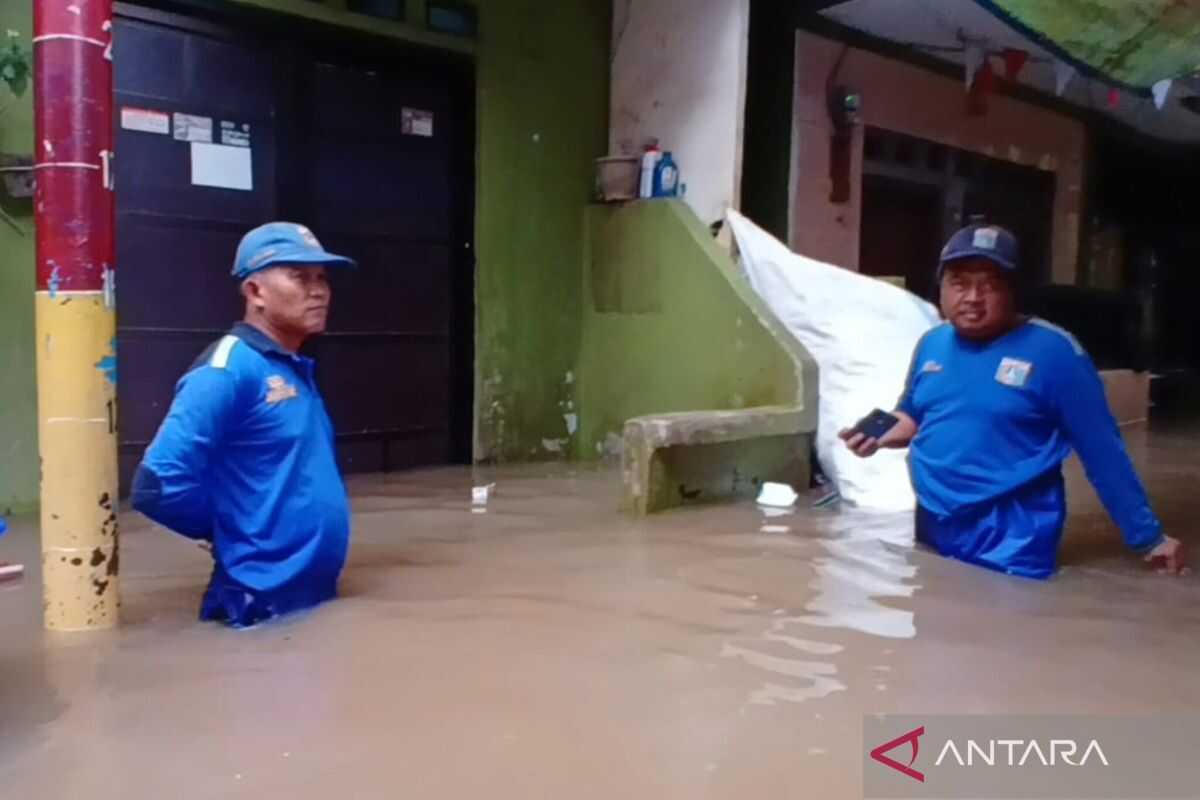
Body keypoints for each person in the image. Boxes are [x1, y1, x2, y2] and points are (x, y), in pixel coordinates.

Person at [840, 223, 1185, 579]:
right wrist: (877, 434)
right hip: (933, 522)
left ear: (1014, 291)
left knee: (1007, 626)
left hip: (1013, 539)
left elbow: (1103, 453)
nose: (972, 297)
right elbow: (913, 413)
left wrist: (1148, 538)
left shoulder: (1056, 352)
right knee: (930, 622)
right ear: (940, 288)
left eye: (988, 284)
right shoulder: (932, 343)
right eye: (959, 282)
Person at [132, 222, 356, 627]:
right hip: (257, 603)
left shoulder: (292, 367)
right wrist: (231, 530)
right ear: (255, 293)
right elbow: (156, 484)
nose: (319, 290)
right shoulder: (228, 368)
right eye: (299, 277)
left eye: (322, 278)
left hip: (310, 598)